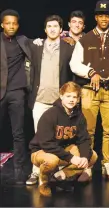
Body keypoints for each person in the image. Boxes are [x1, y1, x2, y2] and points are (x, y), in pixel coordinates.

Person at [69, 0, 109, 180]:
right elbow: (74, 64)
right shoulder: (85, 39)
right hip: (89, 90)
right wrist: (90, 72)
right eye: (100, 15)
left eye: (107, 15)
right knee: (88, 130)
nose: (103, 18)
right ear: (96, 17)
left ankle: (107, 166)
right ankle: (87, 165)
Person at [26, 15, 75, 185]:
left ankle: (56, 172)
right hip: (39, 100)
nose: (53, 29)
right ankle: (36, 172)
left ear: (61, 30)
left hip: (58, 103)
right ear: (45, 29)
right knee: (39, 138)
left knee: (59, 139)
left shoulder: (68, 48)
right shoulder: (35, 46)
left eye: (56, 26)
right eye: (49, 26)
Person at [29, 81, 98, 197]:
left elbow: (84, 139)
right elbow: (46, 143)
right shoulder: (50, 114)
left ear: (78, 99)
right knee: (52, 160)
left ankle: (59, 177)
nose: (71, 100)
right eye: (68, 96)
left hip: (62, 151)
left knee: (93, 156)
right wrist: (71, 158)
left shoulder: (79, 116)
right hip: (41, 151)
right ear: (61, 96)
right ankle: (44, 182)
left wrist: (85, 158)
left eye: (74, 97)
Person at [0, 9, 31, 185]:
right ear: (2, 24)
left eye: (14, 23)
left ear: (17, 25)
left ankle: (20, 169)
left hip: (17, 92)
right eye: (8, 23)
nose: (11, 26)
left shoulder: (23, 41)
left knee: (18, 133)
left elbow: (40, 44)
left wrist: (65, 36)